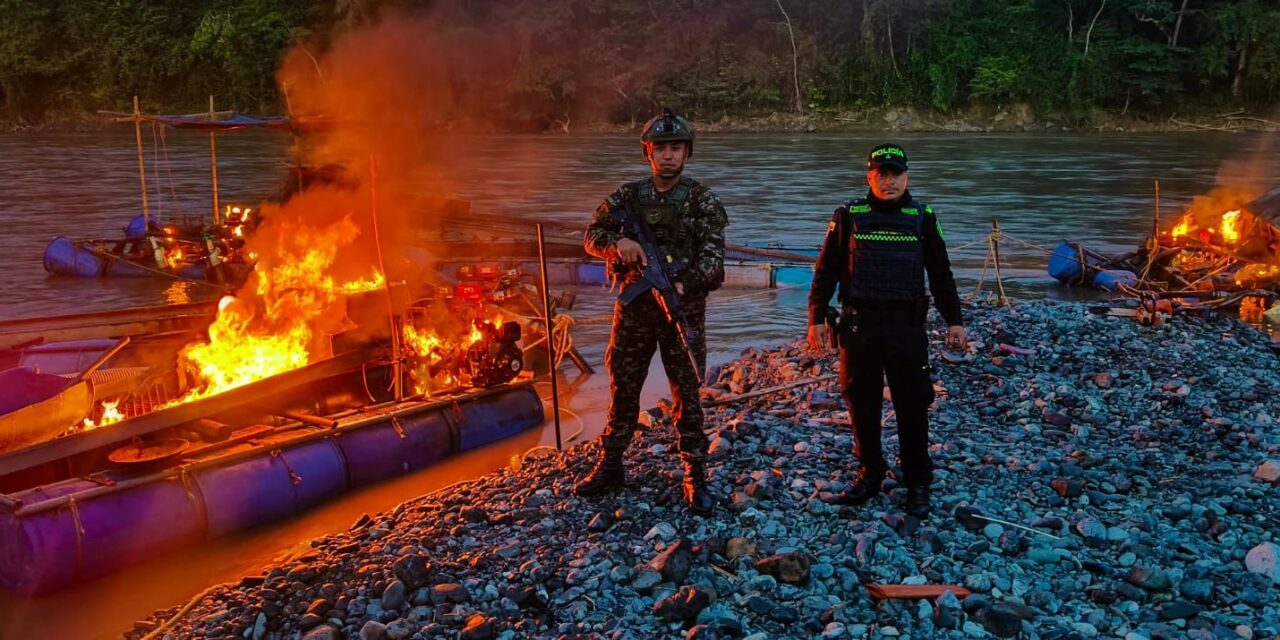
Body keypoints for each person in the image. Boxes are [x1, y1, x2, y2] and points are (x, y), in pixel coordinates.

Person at [573, 108, 728, 515]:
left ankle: (694, 471)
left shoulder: (702, 201)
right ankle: (610, 463)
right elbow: (592, 235)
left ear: (687, 153)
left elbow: (715, 264)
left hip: (682, 312)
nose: (668, 155)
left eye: (676, 147)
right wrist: (618, 245)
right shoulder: (628, 196)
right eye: (660, 148)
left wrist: (681, 283)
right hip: (635, 309)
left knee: (687, 392)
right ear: (648, 153)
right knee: (623, 386)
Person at [806, 143, 968, 518]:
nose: (889, 180)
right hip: (859, 327)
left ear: (906, 176)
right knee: (861, 403)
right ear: (870, 176)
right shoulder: (848, 215)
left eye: (896, 174)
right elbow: (826, 269)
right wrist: (815, 317)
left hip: (905, 328)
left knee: (913, 405)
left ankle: (917, 480)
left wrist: (954, 320)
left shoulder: (923, 217)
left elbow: (941, 273)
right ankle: (870, 472)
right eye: (881, 173)